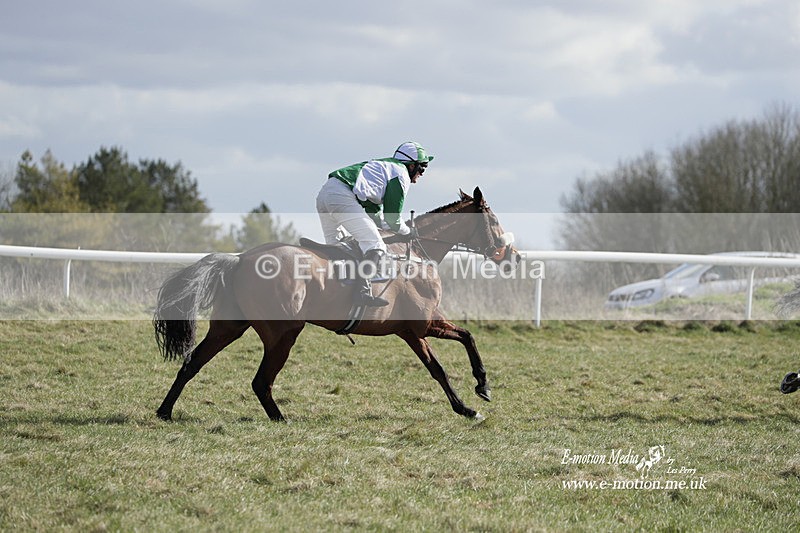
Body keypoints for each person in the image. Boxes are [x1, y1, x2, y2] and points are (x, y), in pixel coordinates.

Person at [315, 141, 434, 307]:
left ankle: (335, 295)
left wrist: (391, 228)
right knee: (375, 245)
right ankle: (361, 293)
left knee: (339, 248)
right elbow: (393, 219)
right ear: (411, 166)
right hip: (340, 196)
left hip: (326, 193)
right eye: (422, 168)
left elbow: (376, 215)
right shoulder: (400, 174)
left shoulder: (384, 169)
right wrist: (408, 231)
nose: (422, 173)